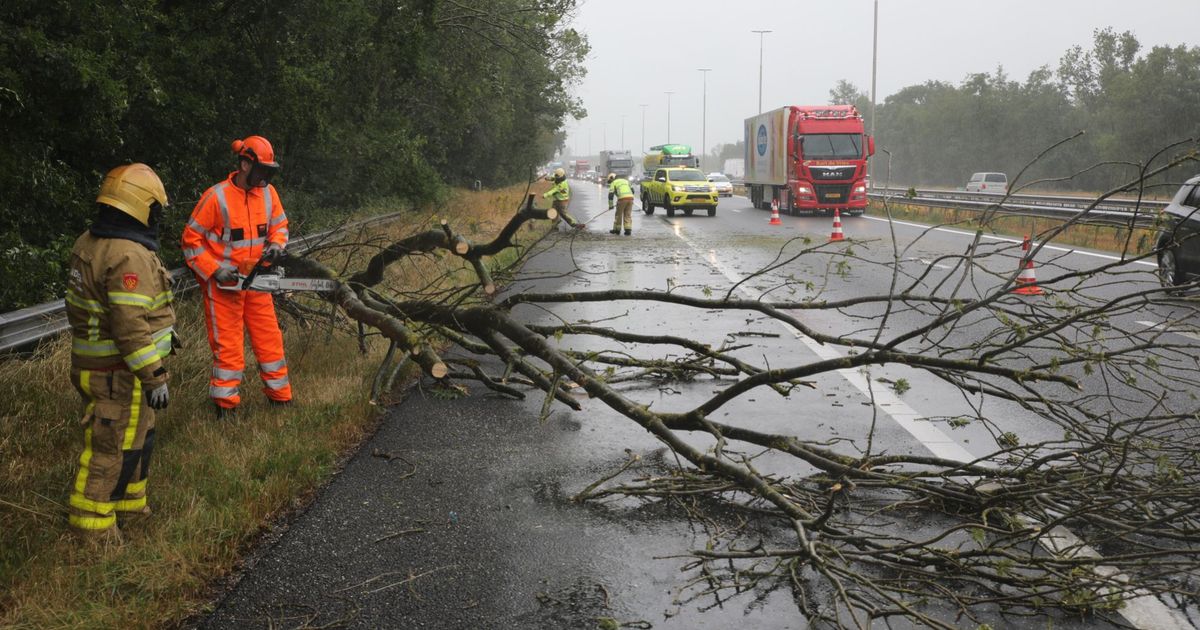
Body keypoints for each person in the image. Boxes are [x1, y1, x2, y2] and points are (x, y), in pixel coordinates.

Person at [65, 163, 176, 543]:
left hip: (110, 369)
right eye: (155, 209)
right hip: (118, 371)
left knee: (137, 439)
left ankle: (131, 506)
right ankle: (93, 529)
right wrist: (154, 376)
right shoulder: (128, 255)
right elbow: (130, 326)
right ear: (140, 206)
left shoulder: (90, 241)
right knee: (109, 450)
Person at [182, 136, 291, 418]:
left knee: (270, 341)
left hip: (256, 283)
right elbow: (191, 241)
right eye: (262, 170)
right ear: (245, 164)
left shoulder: (268, 194)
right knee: (228, 348)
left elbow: (279, 225)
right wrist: (215, 269)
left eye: (269, 171)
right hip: (224, 285)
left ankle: (280, 398)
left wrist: (277, 245)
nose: (265, 176)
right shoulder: (216, 197)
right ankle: (225, 407)